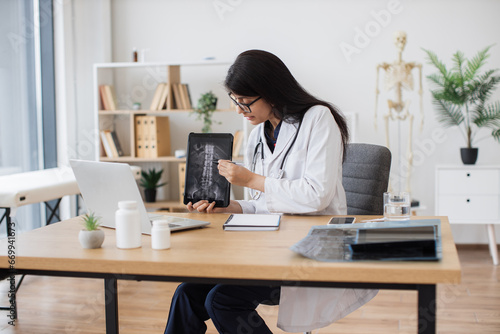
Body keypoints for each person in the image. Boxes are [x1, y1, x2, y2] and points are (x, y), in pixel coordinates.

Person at [164, 50, 377, 334]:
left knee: (222, 301)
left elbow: (317, 195)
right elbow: (262, 204)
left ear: (270, 92)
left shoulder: (318, 119)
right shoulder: (257, 137)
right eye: (235, 101)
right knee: (187, 294)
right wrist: (228, 207)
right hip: (266, 247)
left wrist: (251, 179)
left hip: (307, 250)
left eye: (245, 102)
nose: (240, 110)